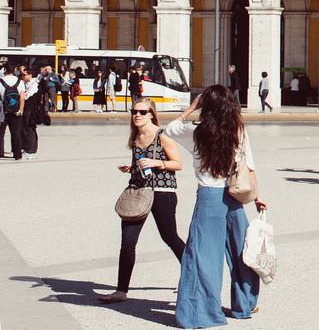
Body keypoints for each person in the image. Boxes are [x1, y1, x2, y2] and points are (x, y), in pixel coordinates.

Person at [165, 85, 264, 326]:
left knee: (202, 257)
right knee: (242, 252)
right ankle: (244, 304)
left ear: (205, 106)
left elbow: (168, 129)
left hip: (209, 197)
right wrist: (258, 196)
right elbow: (249, 166)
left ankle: (202, 312)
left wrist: (191, 108)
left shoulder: (195, 131)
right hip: (235, 196)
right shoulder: (238, 130)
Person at [100, 98, 186, 305]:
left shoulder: (162, 135)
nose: (136, 115)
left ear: (151, 114)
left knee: (170, 237)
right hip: (138, 191)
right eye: (133, 111)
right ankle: (121, 290)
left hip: (162, 192)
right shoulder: (135, 136)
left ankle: (193, 278)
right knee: (128, 242)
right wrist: (131, 168)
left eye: (142, 112)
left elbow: (178, 163)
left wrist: (157, 162)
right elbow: (141, 163)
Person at [0, 65, 21, 159]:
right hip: (16, 111)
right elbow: (23, 97)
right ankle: (17, 154)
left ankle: (0, 153)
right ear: (15, 70)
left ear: (5, 70)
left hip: (3, 111)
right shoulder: (19, 81)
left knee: (1, 133)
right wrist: (21, 110)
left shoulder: (1, 81)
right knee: (16, 133)